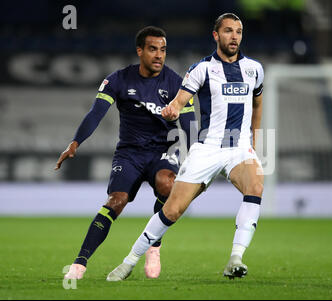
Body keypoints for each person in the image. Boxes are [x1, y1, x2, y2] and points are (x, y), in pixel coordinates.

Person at [107, 13, 264, 281]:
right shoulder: (201, 69)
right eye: (228, 31)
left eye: (238, 31)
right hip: (208, 148)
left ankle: (235, 258)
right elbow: (181, 100)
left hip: (237, 148)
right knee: (172, 210)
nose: (234, 36)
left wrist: (254, 142)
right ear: (216, 35)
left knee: (256, 186)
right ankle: (129, 261)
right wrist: (173, 109)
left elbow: (258, 103)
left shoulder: (254, 69)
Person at [55, 26, 196, 280]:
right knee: (115, 202)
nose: (159, 55)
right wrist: (75, 143)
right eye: (153, 49)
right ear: (140, 50)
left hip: (162, 152)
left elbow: (189, 125)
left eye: (163, 50)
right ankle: (80, 263)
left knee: (167, 184)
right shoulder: (118, 79)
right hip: (129, 153)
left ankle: (154, 245)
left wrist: (195, 152)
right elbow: (96, 113)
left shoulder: (177, 83)